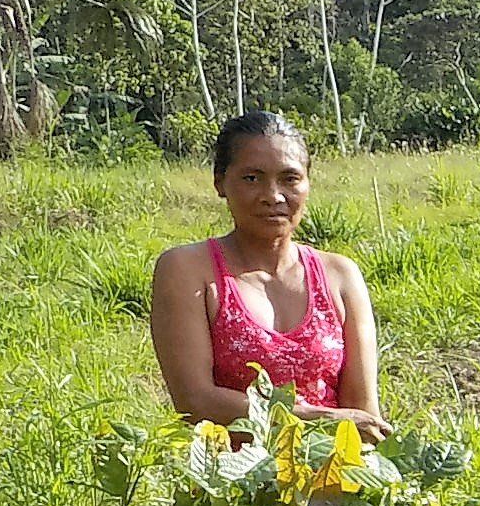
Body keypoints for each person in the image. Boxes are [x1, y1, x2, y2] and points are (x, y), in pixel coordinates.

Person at [150, 110, 390, 441]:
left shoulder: (340, 276)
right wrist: (321, 420)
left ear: (307, 183)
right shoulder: (188, 270)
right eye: (252, 178)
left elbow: (363, 413)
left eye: (290, 179)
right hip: (232, 471)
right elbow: (196, 402)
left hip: (333, 468)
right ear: (220, 182)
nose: (273, 196)